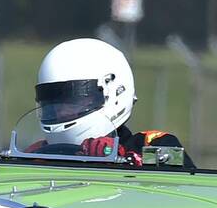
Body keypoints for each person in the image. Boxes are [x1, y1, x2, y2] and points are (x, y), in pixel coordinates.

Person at [29, 37, 193, 167]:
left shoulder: (151, 144)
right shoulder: (39, 156)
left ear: (114, 92)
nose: (61, 111)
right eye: (53, 101)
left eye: (73, 100)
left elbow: (183, 185)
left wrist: (121, 158)